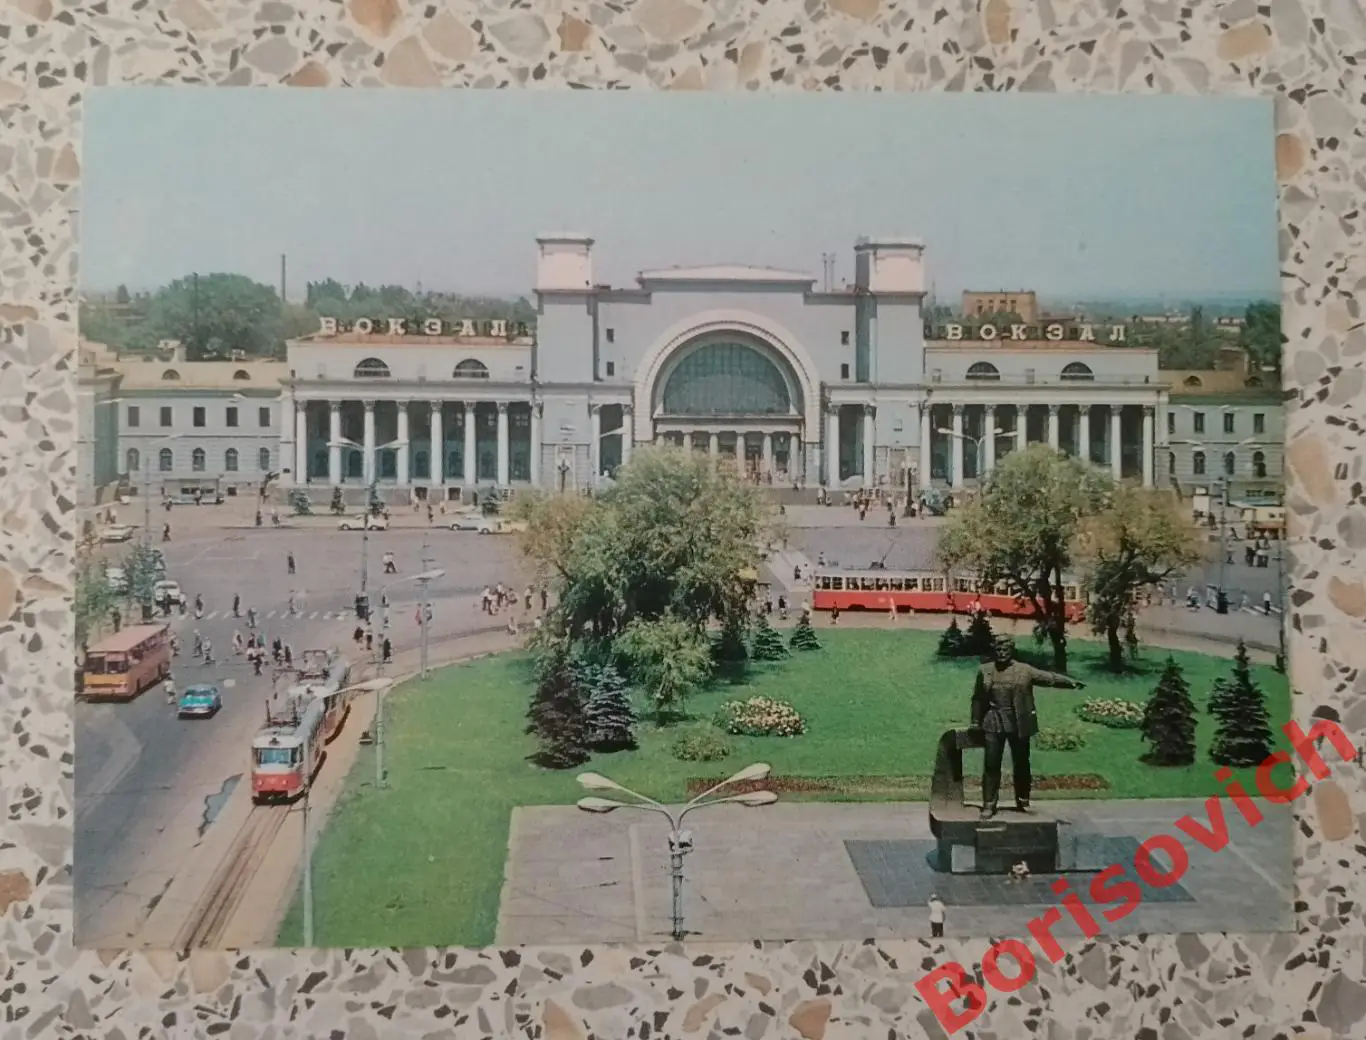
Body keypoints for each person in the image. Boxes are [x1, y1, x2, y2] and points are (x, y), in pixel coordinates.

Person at [970, 636, 1086, 820]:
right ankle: (989, 804)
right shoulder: (985, 671)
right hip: (993, 721)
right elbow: (977, 698)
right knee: (991, 765)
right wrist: (975, 722)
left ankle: (1022, 799)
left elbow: (1049, 678)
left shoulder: (1024, 671)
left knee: (1022, 763)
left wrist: (1070, 682)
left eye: (1005, 649)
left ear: (1012, 650)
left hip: (1018, 723)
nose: (1001, 653)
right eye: (998, 649)